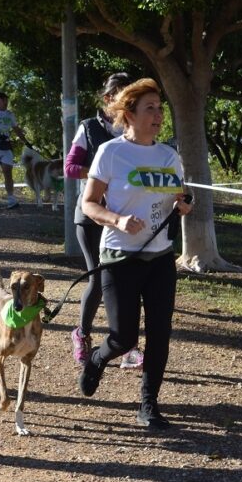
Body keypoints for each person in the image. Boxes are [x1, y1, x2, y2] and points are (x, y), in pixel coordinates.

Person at [77, 78, 192, 430]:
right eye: (150, 109)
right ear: (129, 114)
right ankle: (97, 359)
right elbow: (89, 204)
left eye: (160, 108)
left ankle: (149, 405)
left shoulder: (169, 155)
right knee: (123, 337)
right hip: (119, 256)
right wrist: (117, 219)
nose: (158, 115)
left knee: (160, 333)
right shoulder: (111, 152)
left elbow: (181, 196)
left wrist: (184, 205)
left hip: (159, 257)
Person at [64, 73, 145, 369]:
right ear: (108, 98)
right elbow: (71, 167)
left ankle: (129, 348)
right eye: (122, 95)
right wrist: (101, 173)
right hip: (90, 216)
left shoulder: (136, 131)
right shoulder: (89, 128)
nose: (128, 101)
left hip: (124, 218)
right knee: (98, 280)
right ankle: (82, 335)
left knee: (129, 282)